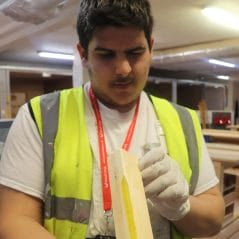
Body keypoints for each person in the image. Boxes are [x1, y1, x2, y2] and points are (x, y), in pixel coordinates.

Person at [0, 0, 225, 238]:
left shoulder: (183, 121)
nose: (123, 69)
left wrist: (182, 207)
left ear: (150, 47)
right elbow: (13, 220)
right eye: (106, 55)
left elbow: (213, 222)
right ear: (83, 54)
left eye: (135, 53)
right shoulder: (40, 117)